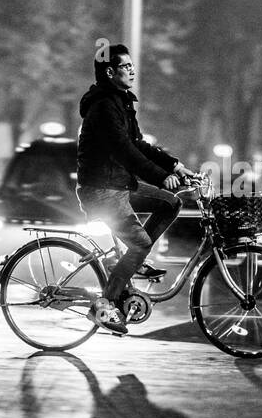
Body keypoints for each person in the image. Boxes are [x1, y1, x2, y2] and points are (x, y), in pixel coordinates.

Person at [75, 44, 194, 334]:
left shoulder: (120, 101)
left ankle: (132, 261)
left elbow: (139, 143)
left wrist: (175, 166)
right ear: (109, 71)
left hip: (118, 186)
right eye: (125, 66)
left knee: (171, 204)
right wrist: (159, 176)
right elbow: (124, 150)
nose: (132, 70)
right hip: (102, 190)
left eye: (131, 65)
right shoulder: (104, 106)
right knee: (141, 243)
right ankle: (105, 305)